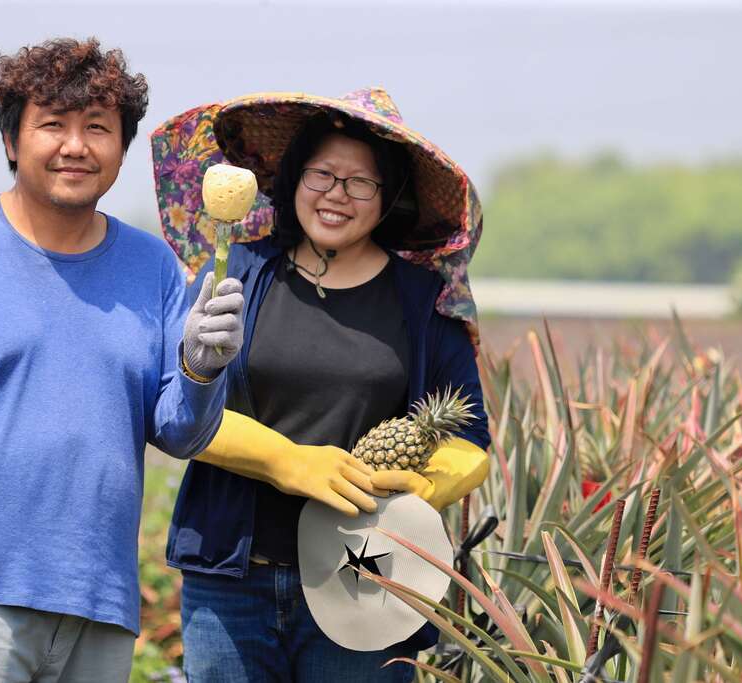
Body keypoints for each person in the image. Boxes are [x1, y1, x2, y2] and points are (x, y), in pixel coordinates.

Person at [0, 38, 244, 683]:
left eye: (98, 128)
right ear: (11, 140)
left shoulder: (153, 267)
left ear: (122, 149)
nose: (75, 146)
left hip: (98, 606)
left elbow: (180, 433)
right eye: (53, 124)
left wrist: (202, 367)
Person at [150, 88, 491, 681]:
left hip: (367, 577)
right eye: (322, 175)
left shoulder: (425, 301)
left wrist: (423, 485)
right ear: (292, 180)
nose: (337, 194)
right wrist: (289, 462)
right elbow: (178, 411)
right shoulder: (236, 272)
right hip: (232, 582)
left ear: (388, 198)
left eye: (361, 183)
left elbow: (470, 437)